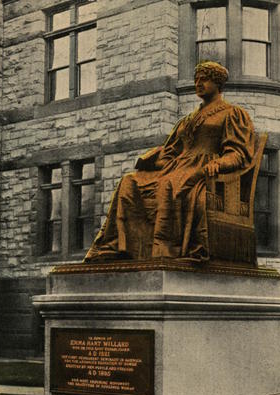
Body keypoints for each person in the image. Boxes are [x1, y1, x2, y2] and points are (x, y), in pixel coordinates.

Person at [84, 61, 256, 263]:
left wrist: (218, 164)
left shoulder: (232, 114)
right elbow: (170, 150)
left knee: (170, 184)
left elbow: (239, 152)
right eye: (196, 79)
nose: (198, 83)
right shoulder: (186, 120)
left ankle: (165, 249)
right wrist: (156, 161)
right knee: (129, 182)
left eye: (204, 79)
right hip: (176, 168)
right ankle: (119, 246)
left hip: (204, 170)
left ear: (218, 83)